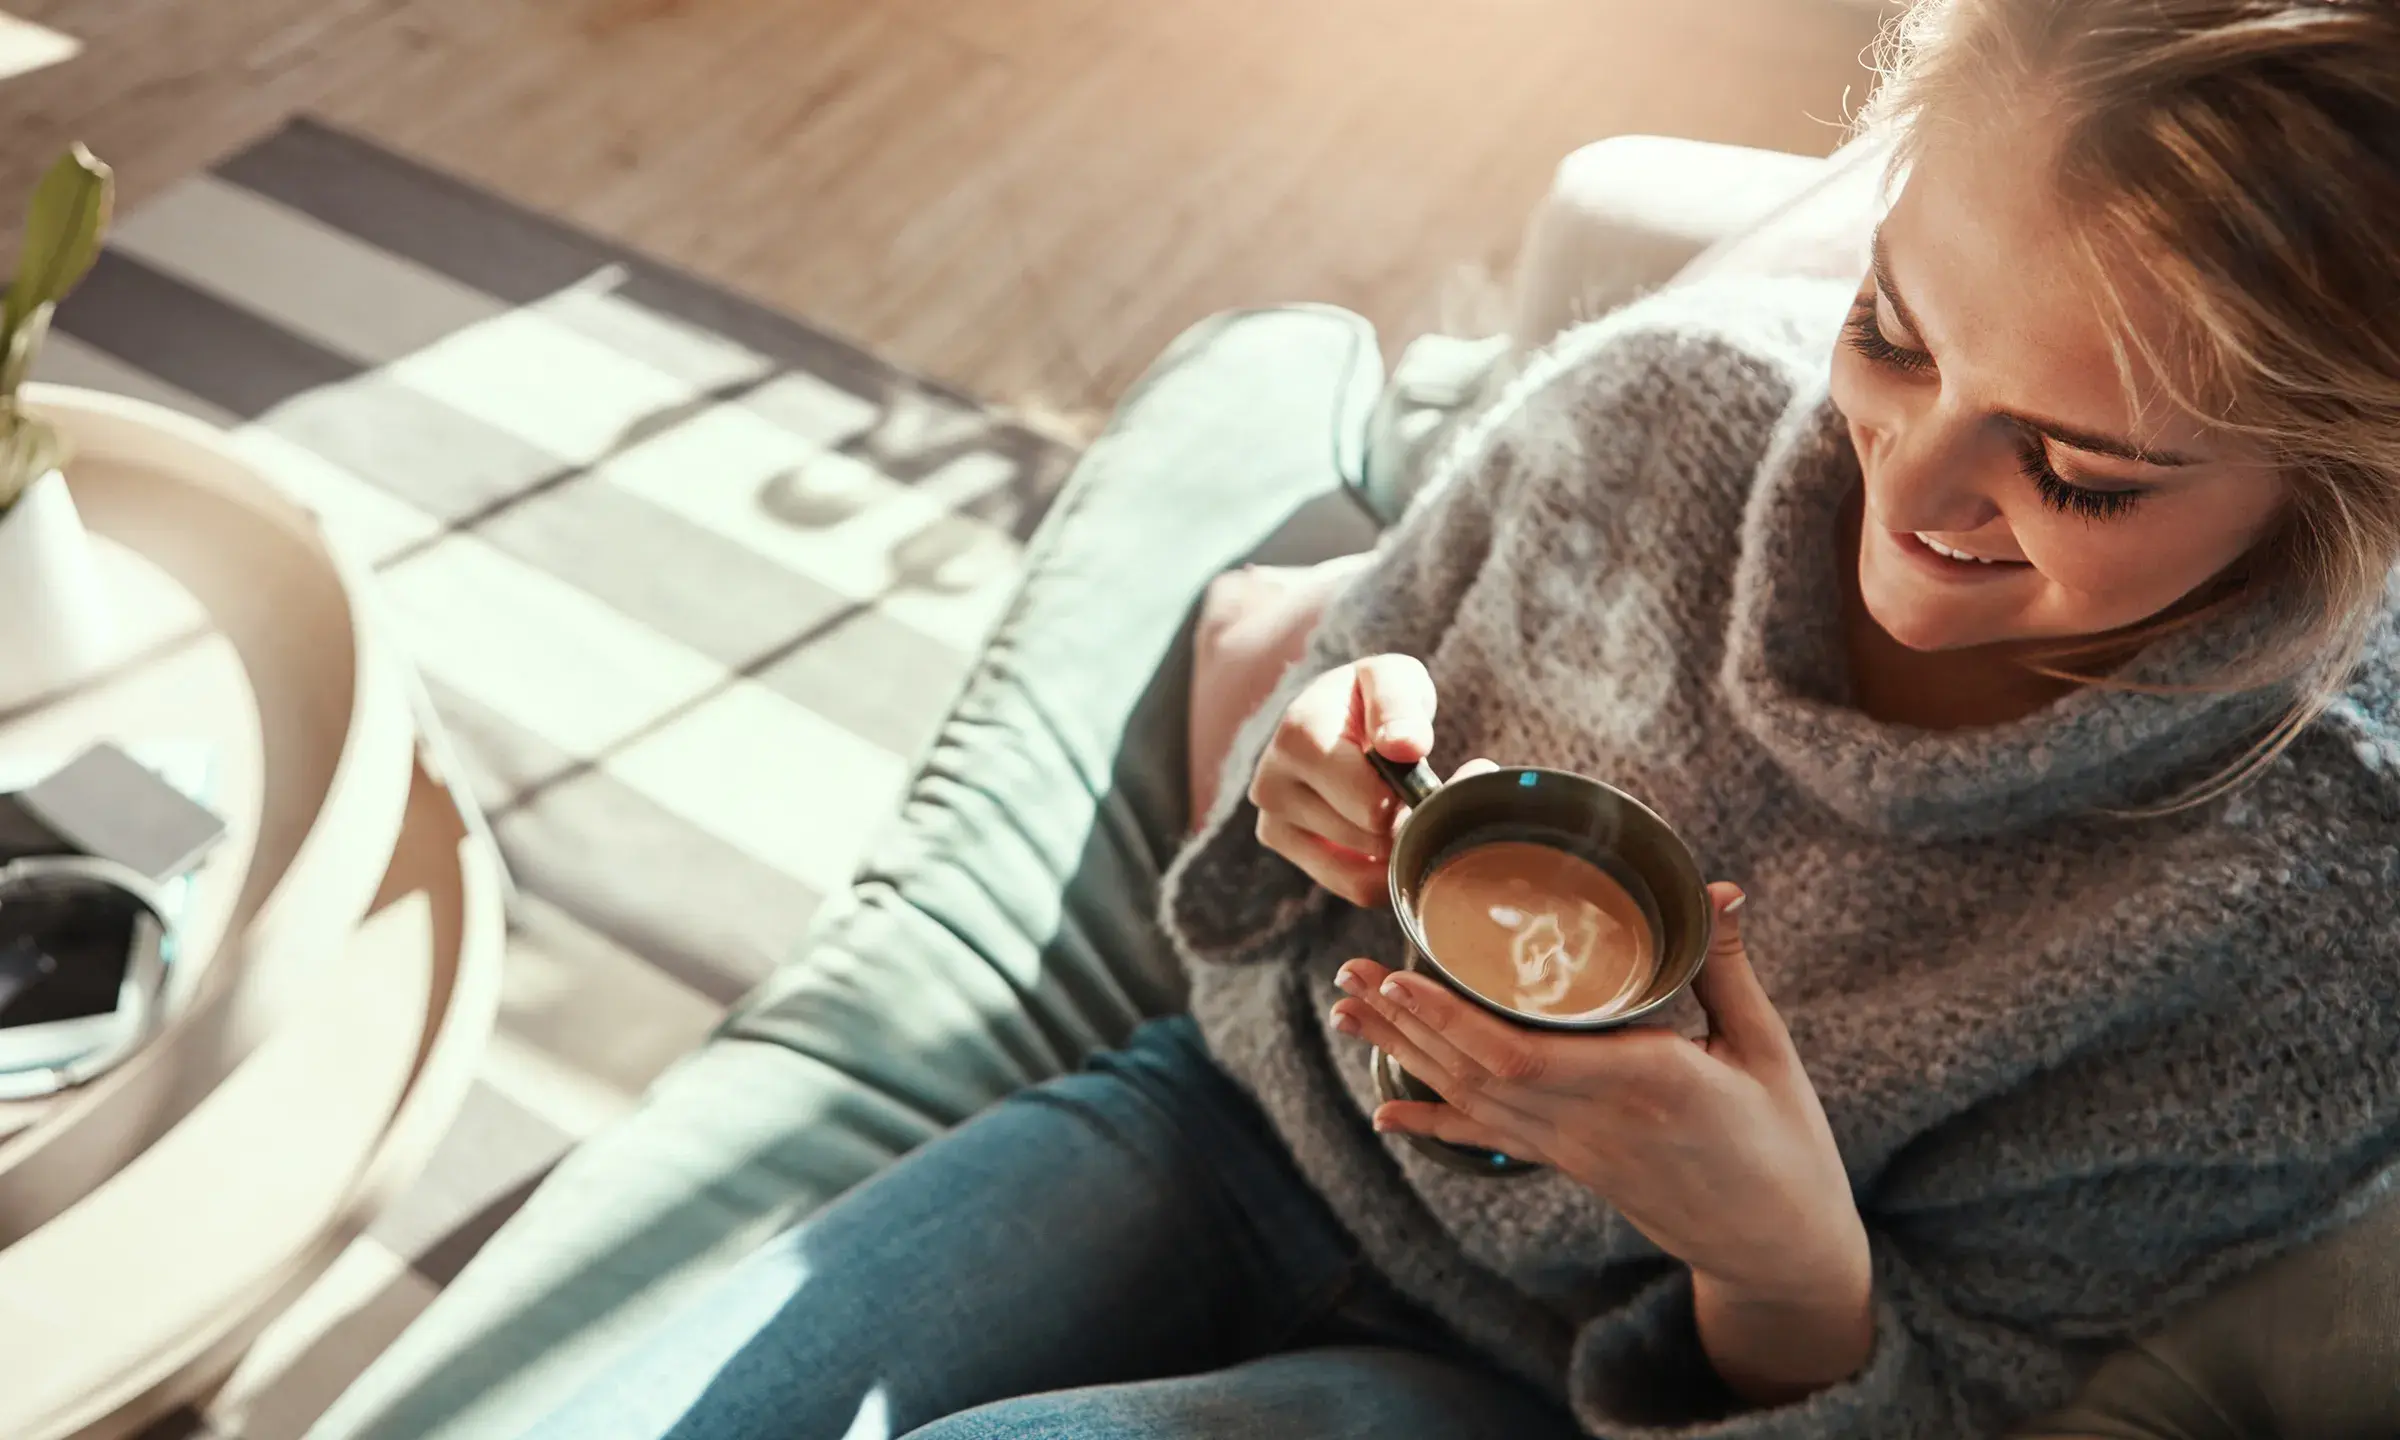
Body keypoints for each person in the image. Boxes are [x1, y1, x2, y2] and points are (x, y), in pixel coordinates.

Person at [520, 2, 2400, 1436]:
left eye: (2077, 471)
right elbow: (1293, 795)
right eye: (1896, 332)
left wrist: (1771, 1256)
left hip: (1541, 1378)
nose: (1909, 483)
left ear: (2338, 483)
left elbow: (1951, 1397)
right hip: (1237, 1121)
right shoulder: (1654, 411)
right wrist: (1311, 752)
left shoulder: (2310, 921)